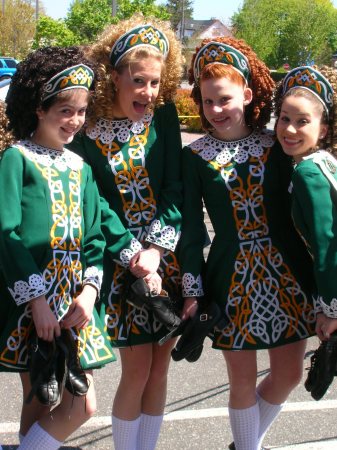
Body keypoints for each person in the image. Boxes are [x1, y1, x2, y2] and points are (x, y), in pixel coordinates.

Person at [179, 37, 316, 450]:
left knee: (290, 374)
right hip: (230, 275)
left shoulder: (279, 145)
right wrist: (192, 288)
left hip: (289, 272)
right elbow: (189, 229)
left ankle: (243, 444)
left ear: (249, 94)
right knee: (240, 380)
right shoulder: (196, 157)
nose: (215, 110)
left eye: (224, 99)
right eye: (206, 102)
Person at [0, 46, 134, 450]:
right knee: (39, 397)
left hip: (75, 301)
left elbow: (95, 235)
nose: (76, 121)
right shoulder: (16, 159)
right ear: (39, 109)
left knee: (82, 405)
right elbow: (7, 233)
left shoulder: (80, 167)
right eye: (65, 111)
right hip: (33, 302)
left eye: (81, 111)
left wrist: (91, 291)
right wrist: (35, 300)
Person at [67, 15, 183, 450]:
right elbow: (93, 204)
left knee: (160, 369)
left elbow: (174, 187)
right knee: (136, 371)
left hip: (163, 257)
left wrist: (155, 249)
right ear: (113, 76)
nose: (148, 92)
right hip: (121, 266)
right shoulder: (86, 130)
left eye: (155, 82)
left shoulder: (165, 117)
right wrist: (134, 255)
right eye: (138, 80)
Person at [274, 65, 337, 341]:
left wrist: (330, 308)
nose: (289, 129)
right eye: (284, 118)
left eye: (302, 121)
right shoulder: (325, 162)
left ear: (322, 130)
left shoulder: (308, 172)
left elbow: (326, 242)